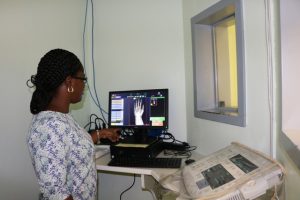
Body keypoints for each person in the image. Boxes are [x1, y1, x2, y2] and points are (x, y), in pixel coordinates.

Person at [26, 48, 119, 200]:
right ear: (69, 82)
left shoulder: (61, 117)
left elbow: (72, 144)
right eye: (83, 79)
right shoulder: (48, 127)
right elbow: (56, 193)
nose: (84, 86)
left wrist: (100, 134)